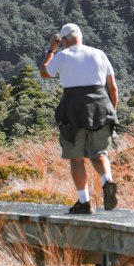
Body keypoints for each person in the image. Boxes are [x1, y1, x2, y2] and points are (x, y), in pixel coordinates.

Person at [39, 22, 119, 214]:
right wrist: (112, 113)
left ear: (64, 40)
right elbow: (112, 87)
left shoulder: (63, 55)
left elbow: (44, 72)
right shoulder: (99, 54)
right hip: (101, 107)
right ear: (80, 37)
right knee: (99, 154)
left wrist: (51, 49)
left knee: (76, 159)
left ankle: (84, 202)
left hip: (73, 111)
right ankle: (107, 180)